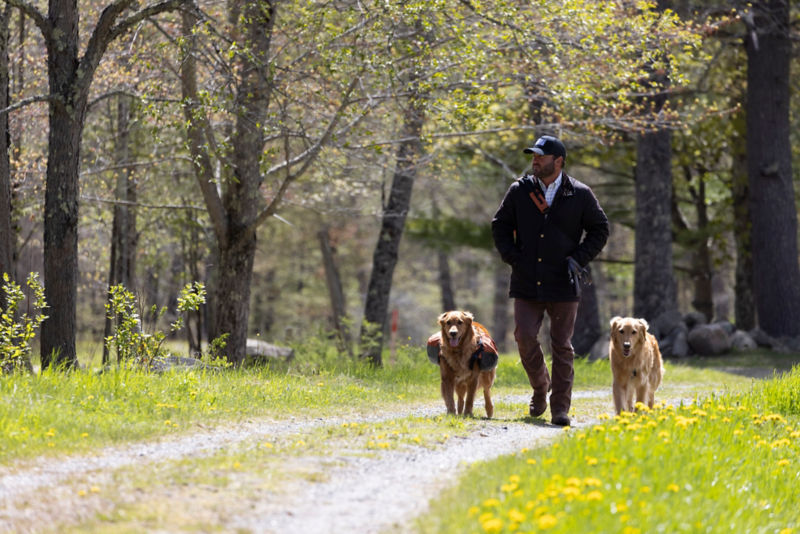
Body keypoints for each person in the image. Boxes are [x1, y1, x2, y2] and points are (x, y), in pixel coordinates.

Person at [491, 135, 609, 426]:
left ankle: (560, 409)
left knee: (562, 346)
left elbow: (600, 229)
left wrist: (578, 259)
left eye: (541, 156)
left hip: (564, 283)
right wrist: (514, 258)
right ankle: (540, 385)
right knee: (525, 337)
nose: (535, 160)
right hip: (526, 281)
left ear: (558, 161)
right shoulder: (520, 190)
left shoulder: (580, 194)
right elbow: (500, 226)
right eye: (533, 156)